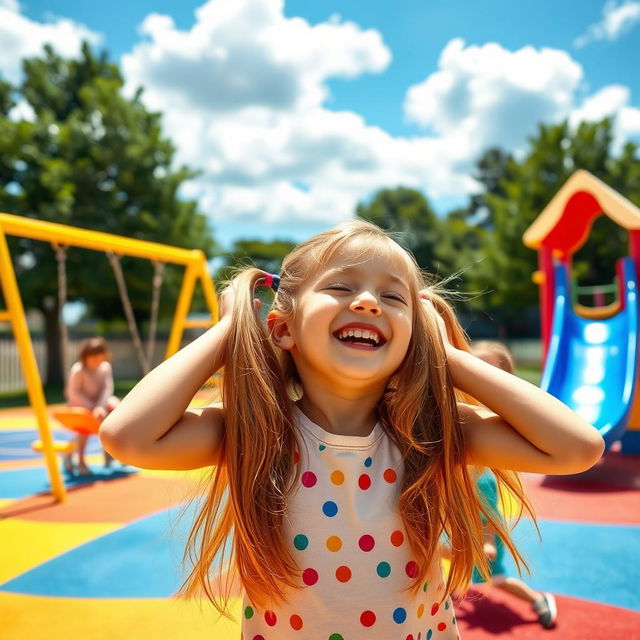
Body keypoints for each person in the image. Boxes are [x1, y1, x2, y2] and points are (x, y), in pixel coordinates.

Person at [100, 220, 603, 639]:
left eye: (393, 297)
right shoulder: (256, 432)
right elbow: (127, 436)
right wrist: (231, 329)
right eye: (340, 287)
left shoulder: (430, 433)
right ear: (282, 327)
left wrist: (444, 355)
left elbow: (578, 448)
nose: (367, 303)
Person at [469, 341, 557, 629]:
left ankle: (538, 600)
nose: (475, 371)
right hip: (462, 498)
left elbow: (488, 503)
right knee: (442, 554)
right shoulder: (464, 400)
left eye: (486, 366)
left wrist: (488, 540)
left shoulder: (500, 410)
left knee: (496, 578)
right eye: (472, 363)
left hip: (479, 498)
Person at [65, 336, 119, 475]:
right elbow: (73, 392)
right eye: (93, 358)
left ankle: (109, 453)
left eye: (99, 358)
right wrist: (91, 406)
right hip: (81, 404)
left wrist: (100, 406)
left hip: (99, 403)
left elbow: (107, 388)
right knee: (85, 427)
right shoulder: (78, 370)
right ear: (85, 357)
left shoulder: (105, 367)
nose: (96, 362)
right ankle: (80, 460)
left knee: (115, 407)